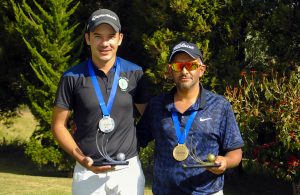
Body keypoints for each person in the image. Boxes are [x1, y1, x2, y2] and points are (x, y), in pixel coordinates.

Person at [51, 8, 149, 195]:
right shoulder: (72, 77)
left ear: (119, 39)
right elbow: (58, 125)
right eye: (98, 36)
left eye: (110, 36)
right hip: (87, 171)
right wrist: (80, 158)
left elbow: (150, 117)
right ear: (88, 38)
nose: (105, 43)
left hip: (127, 170)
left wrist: (136, 143)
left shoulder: (135, 73)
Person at [137, 41, 244, 195]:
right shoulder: (156, 106)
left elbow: (235, 151)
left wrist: (225, 162)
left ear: (201, 70)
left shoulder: (220, 106)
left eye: (191, 65)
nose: (185, 71)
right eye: (178, 66)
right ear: (170, 70)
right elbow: (135, 139)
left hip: (206, 192)